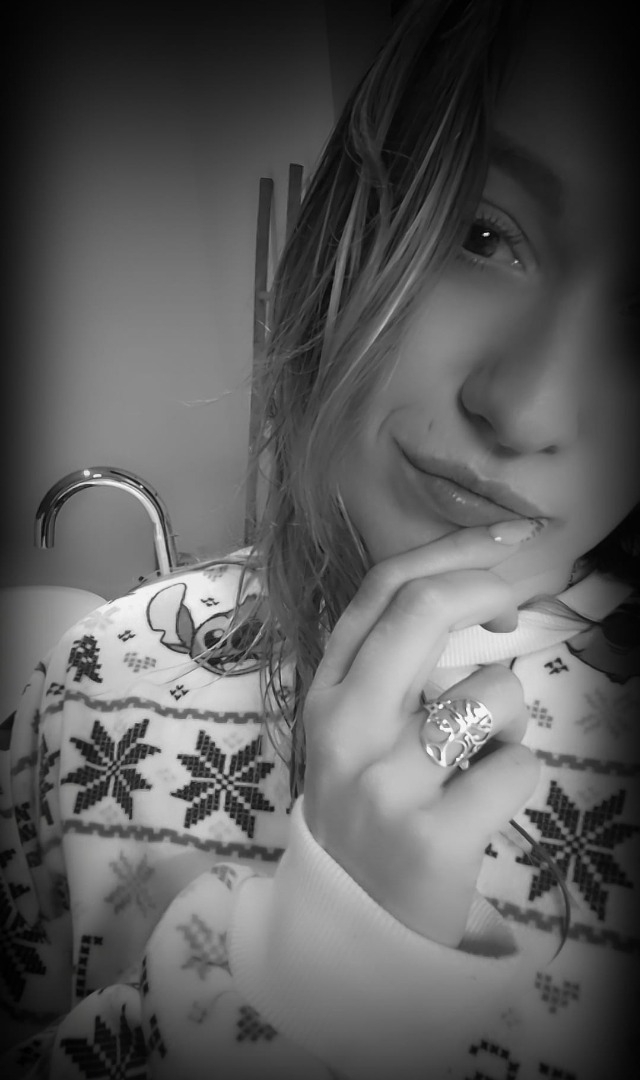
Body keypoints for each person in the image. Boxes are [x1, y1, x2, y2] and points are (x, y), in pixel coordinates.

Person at [2, 0, 639, 1077]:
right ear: (354, 227)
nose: (524, 407)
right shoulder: (90, 679)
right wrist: (305, 984)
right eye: (483, 235)